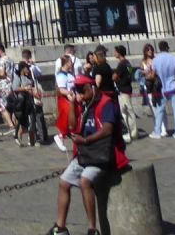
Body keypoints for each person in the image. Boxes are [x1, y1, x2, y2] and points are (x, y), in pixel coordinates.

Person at [51, 71, 123, 235]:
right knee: (63, 182)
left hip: (102, 154)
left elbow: (107, 129)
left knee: (85, 181)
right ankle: (61, 227)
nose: (81, 95)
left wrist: (86, 141)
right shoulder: (84, 106)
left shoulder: (106, 103)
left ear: (92, 88)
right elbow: (71, 126)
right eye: (78, 92)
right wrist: (71, 104)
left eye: (83, 91)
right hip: (85, 154)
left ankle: (92, 229)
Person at [149, 41, 175, 138]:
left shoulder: (156, 60)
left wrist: (147, 76)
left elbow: (152, 75)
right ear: (167, 48)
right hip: (173, 86)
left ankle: (157, 132)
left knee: (160, 110)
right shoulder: (174, 58)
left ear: (159, 48)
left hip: (163, 88)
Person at [111, 47, 138, 142]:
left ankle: (131, 133)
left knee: (126, 112)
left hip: (123, 89)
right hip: (127, 88)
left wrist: (116, 78)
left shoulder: (121, 64)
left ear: (119, 53)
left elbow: (114, 77)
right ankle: (133, 132)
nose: (114, 53)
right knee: (128, 111)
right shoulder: (127, 63)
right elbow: (130, 74)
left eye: (115, 51)